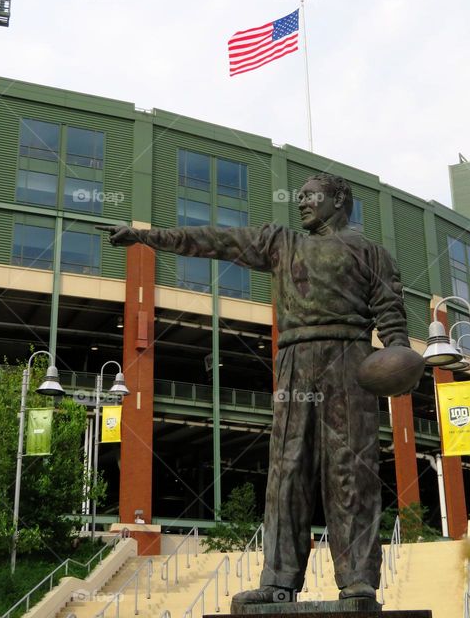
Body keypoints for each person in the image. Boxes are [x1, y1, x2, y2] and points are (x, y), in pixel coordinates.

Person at [101, 173, 410, 604]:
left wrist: (399, 358)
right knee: (287, 469)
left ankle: (358, 578)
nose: (301, 203)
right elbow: (216, 240)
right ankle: (279, 580)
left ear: (339, 199)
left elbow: (391, 313)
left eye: (310, 196)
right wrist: (146, 237)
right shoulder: (282, 243)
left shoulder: (370, 252)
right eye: (298, 197)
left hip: (350, 359)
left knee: (352, 469)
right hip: (295, 357)